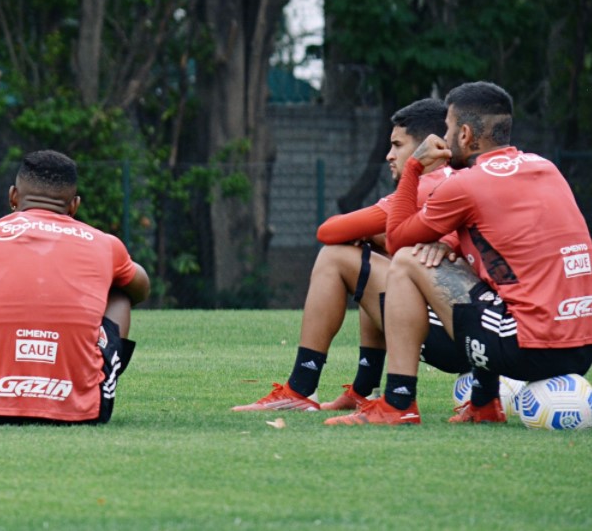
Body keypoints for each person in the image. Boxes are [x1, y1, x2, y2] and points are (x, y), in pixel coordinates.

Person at [327, 81, 592, 426]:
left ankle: (398, 403)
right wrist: (453, 243)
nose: (444, 135)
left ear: (465, 134)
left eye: (448, 127)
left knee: (408, 262)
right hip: (581, 348)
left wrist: (413, 169)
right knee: (491, 277)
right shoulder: (545, 169)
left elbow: (397, 240)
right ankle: (483, 404)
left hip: (530, 348)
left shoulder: (465, 184)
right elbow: (509, 245)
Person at [233, 98, 467, 412]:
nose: (389, 155)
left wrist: (374, 235)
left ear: (428, 147)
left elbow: (328, 231)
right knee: (375, 259)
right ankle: (363, 390)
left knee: (335, 256)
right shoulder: (460, 181)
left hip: (439, 334)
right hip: (473, 335)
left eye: (397, 145)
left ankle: (300, 389)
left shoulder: (426, 186)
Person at [0, 150, 150, 424]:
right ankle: (82, 382)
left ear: (13, 196)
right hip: (84, 411)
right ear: (74, 205)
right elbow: (142, 287)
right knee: (121, 292)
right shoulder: (105, 243)